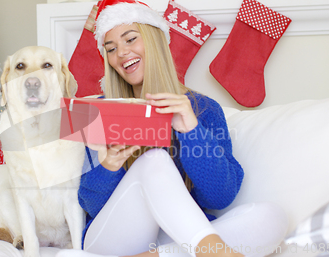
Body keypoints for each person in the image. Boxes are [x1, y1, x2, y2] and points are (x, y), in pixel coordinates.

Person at [57, 1, 288, 257]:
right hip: (114, 237)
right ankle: (212, 252)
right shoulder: (98, 111)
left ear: (155, 41)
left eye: (130, 39)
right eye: (111, 49)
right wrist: (109, 167)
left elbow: (221, 197)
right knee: (155, 159)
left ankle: (171, 253)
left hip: (177, 234)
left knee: (271, 217)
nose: (121, 53)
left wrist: (190, 129)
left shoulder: (203, 109)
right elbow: (91, 205)